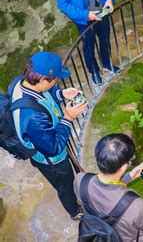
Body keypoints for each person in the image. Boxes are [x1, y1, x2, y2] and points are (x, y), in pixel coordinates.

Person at [7, 51, 88, 219]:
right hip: (53, 162)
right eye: (55, 79)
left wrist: (60, 94)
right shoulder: (32, 117)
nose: (57, 81)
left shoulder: (21, 83)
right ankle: (75, 211)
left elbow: (43, 95)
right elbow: (54, 148)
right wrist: (68, 117)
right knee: (65, 186)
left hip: (44, 139)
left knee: (70, 179)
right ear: (43, 79)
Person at [74, 134, 143, 241]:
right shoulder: (135, 205)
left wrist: (128, 177)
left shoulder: (80, 181)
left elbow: (104, 192)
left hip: (100, 233)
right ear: (124, 166)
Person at [53, 0, 121, 85]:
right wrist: (86, 15)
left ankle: (107, 63)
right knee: (89, 45)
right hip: (84, 18)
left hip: (102, 11)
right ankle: (93, 71)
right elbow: (63, 4)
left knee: (105, 39)